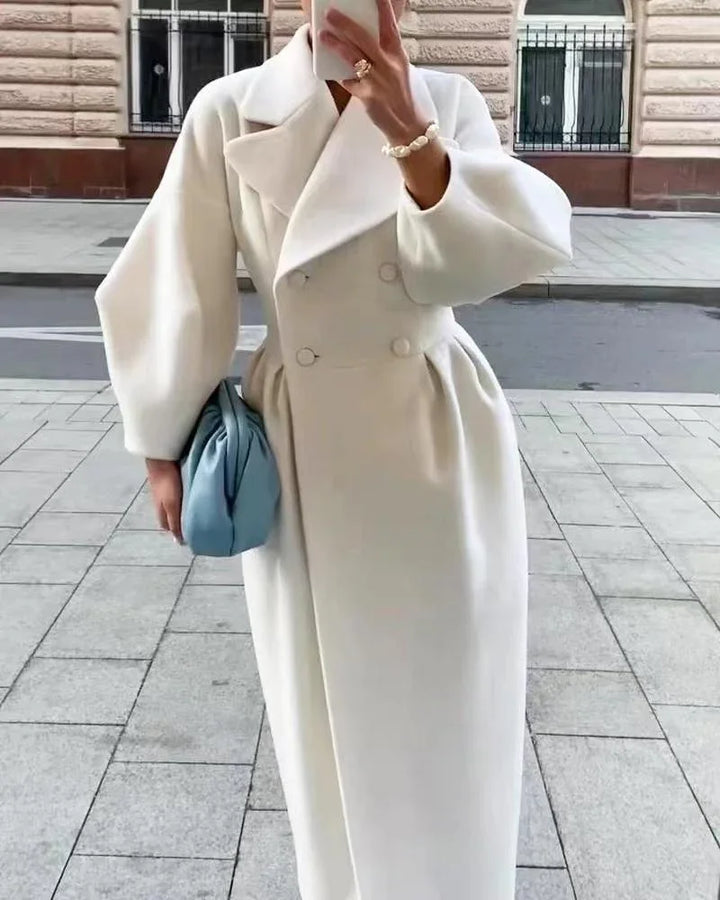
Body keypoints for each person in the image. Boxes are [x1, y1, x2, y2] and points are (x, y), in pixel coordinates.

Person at [95, 0, 572, 896]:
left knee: (451, 702)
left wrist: (412, 135)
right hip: (304, 436)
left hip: (433, 429)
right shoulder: (231, 108)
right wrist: (162, 440)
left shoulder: (447, 98)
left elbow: (476, 269)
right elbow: (177, 276)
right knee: (320, 710)